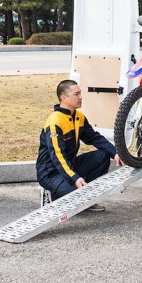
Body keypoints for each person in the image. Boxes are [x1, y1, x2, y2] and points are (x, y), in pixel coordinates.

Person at [36, 79, 123, 210]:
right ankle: (50, 195)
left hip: (70, 165)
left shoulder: (78, 117)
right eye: (76, 94)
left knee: (102, 156)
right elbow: (58, 157)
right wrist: (75, 178)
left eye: (80, 93)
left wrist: (115, 152)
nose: (81, 97)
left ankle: (87, 200)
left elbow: (94, 138)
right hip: (50, 173)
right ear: (63, 98)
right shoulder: (54, 122)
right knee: (76, 195)